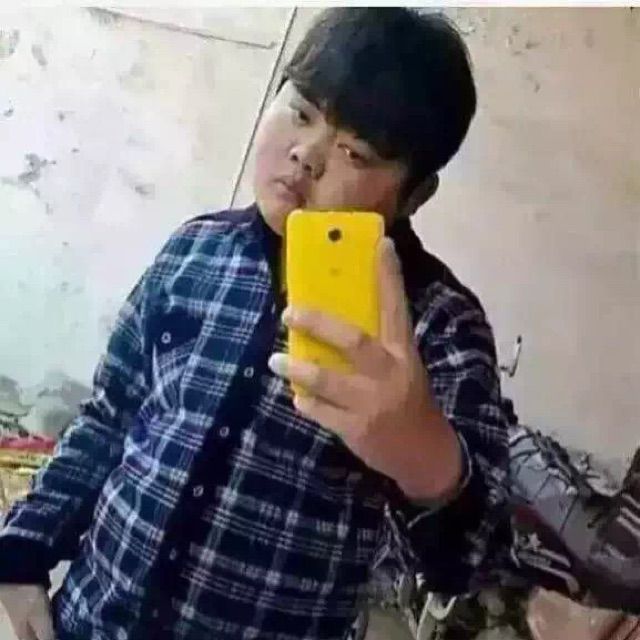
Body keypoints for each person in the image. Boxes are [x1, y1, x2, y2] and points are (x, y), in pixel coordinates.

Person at [0, 8, 509, 640]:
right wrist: (21, 551)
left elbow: (475, 560)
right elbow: (111, 414)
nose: (307, 155)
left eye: (355, 151)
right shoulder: (194, 250)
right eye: (300, 111)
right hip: (90, 621)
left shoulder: (439, 326)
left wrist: (426, 458)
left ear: (414, 195)